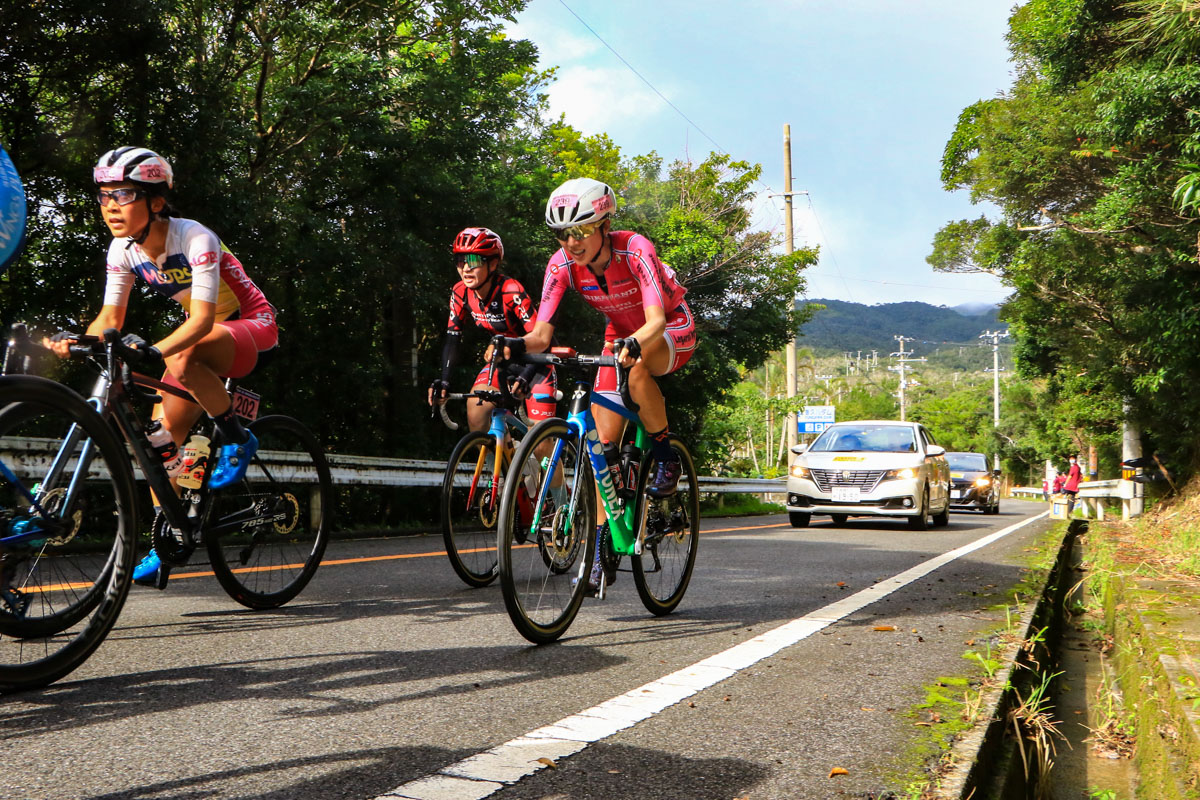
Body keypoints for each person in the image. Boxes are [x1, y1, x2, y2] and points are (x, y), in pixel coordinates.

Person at [44, 147, 278, 588]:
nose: (111, 206)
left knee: (178, 355)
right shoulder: (123, 250)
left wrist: (153, 350)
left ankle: (235, 437)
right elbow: (109, 321)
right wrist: (75, 339)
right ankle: (169, 535)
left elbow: (204, 320)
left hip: (250, 326)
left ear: (155, 201)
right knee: (159, 440)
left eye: (125, 194)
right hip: (197, 337)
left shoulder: (194, 237)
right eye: (105, 196)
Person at [506, 177, 697, 593]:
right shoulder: (560, 266)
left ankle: (666, 456)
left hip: (667, 328)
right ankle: (601, 547)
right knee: (600, 452)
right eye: (562, 234)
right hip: (619, 337)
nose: (571, 242)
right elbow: (540, 335)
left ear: (604, 224)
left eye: (580, 231)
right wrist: (512, 344)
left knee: (640, 368)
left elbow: (656, 321)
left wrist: (633, 343)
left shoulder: (634, 249)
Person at [427, 227, 556, 430]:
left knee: (540, 441)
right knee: (475, 410)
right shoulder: (460, 292)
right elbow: (453, 339)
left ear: (493, 263)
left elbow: (544, 341)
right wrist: (444, 382)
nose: (466, 268)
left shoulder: (511, 291)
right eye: (461, 260)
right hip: (503, 360)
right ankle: (504, 458)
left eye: (475, 260)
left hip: (536, 363)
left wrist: (526, 377)